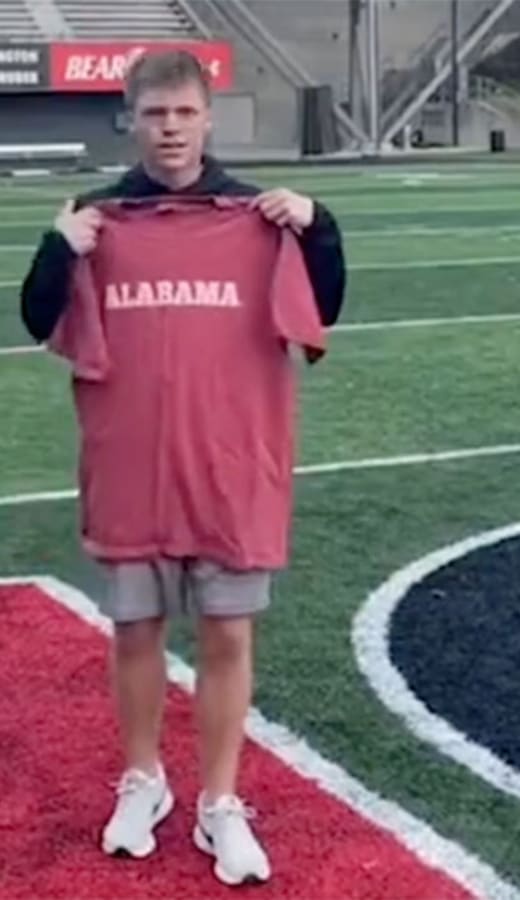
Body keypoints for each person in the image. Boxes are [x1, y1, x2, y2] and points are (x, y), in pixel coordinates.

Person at [19, 50, 346, 884]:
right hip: (130, 464)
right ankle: (144, 781)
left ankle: (220, 801)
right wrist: (58, 249)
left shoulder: (258, 219)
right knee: (136, 630)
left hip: (232, 465)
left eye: (184, 112)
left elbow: (325, 310)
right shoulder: (97, 220)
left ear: (208, 117)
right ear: (131, 119)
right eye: (155, 114)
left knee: (228, 632)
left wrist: (320, 225)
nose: (170, 128)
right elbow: (36, 320)